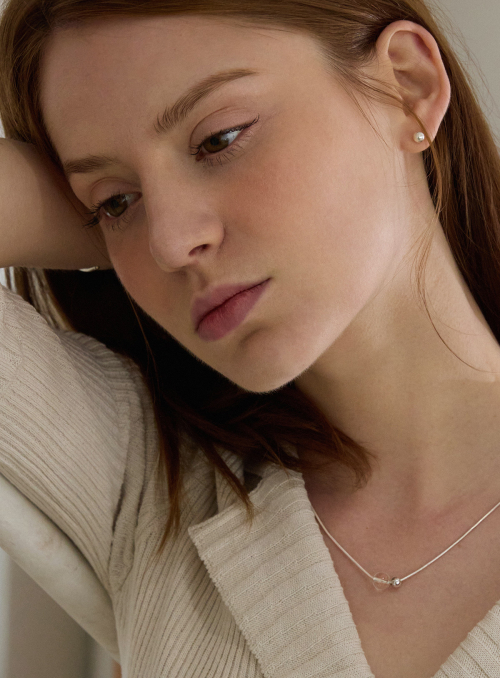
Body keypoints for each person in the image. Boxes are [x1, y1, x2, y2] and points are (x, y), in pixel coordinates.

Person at [0, 0, 499, 676]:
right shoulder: (149, 486)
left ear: (407, 86)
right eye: (115, 203)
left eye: (219, 140)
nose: (170, 244)